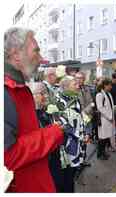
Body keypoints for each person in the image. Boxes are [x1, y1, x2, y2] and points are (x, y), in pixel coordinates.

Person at [4, 27, 64, 192]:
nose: (41, 58)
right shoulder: (5, 91)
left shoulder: (19, 87)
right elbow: (9, 156)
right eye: (36, 51)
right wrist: (53, 133)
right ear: (16, 55)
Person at [55, 76, 90, 192]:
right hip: (67, 147)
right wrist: (79, 134)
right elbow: (62, 125)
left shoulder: (75, 99)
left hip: (78, 144)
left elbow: (79, 117)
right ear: (65, 87)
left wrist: (84, 130)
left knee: (71, 177)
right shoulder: (59, 101)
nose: (77, 86)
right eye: (74, 84)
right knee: (67, 178)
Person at [29, 82, 65, 192]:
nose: (46, 96)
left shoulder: (47, 111)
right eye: (42, 93)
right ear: (32, 95)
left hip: (55, 159)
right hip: (44, 165)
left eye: (46, 93)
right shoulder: (29, 116)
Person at [75, 71, 94, 167]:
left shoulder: (87, 88)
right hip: (77, 120)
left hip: (86, 117)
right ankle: (77, 162)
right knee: (78, 140)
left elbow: (91, 102)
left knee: (86, 139)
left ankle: (83, 160)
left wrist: (85, 112)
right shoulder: (73, 89)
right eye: (77, 78)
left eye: (81, 78)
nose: (79, 80)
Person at [96, 79, 115, 159]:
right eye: (110, 85)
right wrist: (110, 116)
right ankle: (100, 154)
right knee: (102, 137)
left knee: (106, 136)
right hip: (103, 119)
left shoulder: (109, 94)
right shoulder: (100, 95)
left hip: (109, 119)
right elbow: (100, 108)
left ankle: (103, 152)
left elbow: (109, 106)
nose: (111, 87)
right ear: (105, 85)